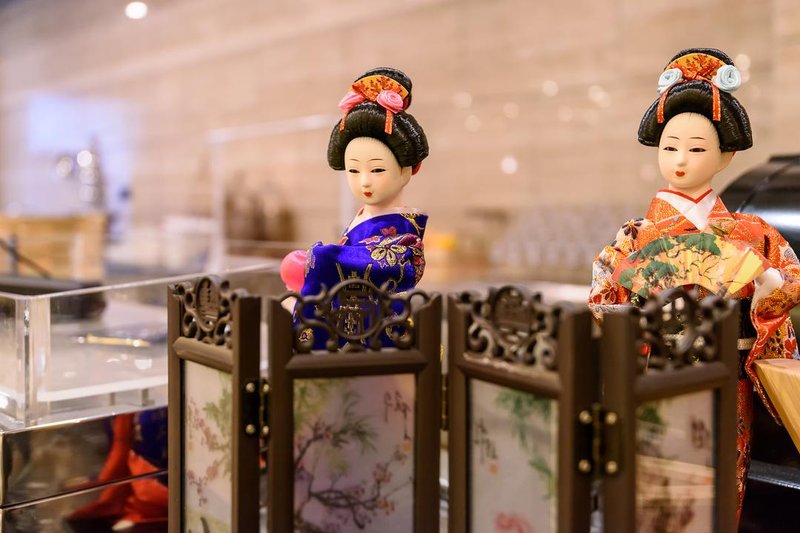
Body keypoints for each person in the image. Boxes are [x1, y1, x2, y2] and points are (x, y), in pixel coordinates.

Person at [588, 47, 800, 516]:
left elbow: (788, 286)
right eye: (670, 148)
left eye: (697, 148)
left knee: (719, 492)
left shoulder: (753, 235)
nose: (680, 159)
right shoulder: (634, 237)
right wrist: (640, 320)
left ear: (726, 156)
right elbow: (602, 298)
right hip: (655, 377)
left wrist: (766, 285)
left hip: (726, 381)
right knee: (655, 495)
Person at [281, 67, 429, 348]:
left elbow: (382, 265)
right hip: (351, 310)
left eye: (377, 169)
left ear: (409, 169)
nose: (364, 182)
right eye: (353, 171)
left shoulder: (403, 228)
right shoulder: (364, 214)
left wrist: (321, 258)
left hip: (379, 324)